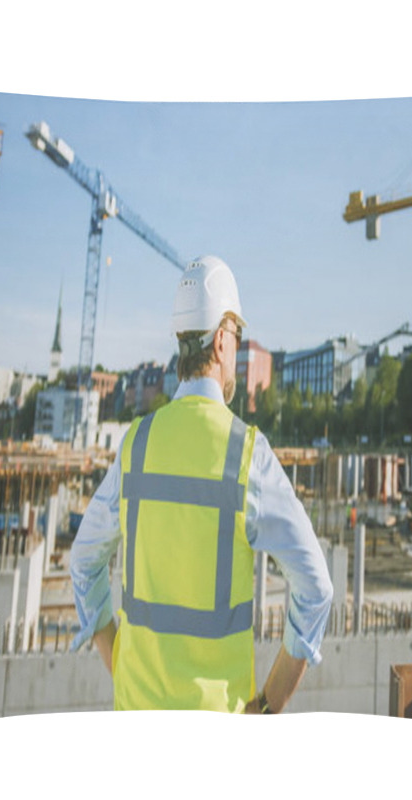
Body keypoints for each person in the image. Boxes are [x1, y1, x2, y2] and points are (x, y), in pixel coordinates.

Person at [69, 254, 333, 713]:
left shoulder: (137, 443)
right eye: (237, 336)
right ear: (220, 343)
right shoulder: (247, 455)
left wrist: (122, 666)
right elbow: (316, 589)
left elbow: (83, 564)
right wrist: (267, 706)